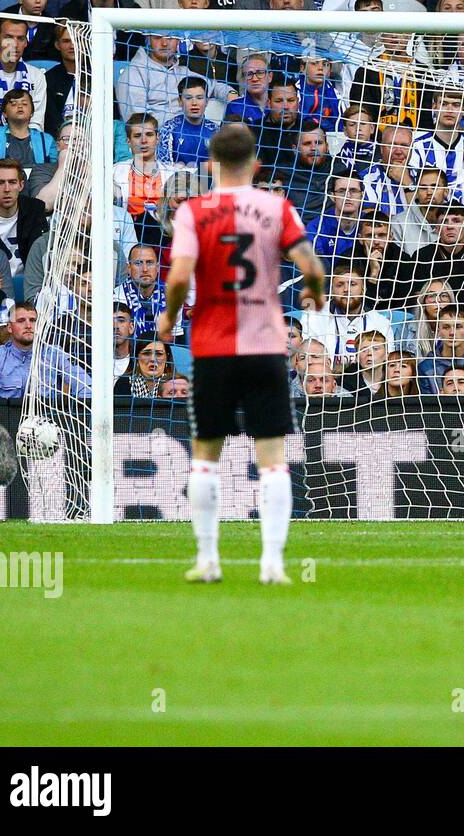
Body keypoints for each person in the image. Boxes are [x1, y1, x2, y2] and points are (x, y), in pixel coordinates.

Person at [157, 123, 327, 586]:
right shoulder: (277, 206)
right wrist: (315, 293)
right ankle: (272, 564)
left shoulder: (194, 211)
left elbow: (179, 275)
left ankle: (208, 559)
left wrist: (170, 318)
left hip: (212, 347)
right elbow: (311, 264)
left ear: (211, 165)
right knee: (272, 456)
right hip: (266, 346)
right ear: (256, 164)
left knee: (205, 456)